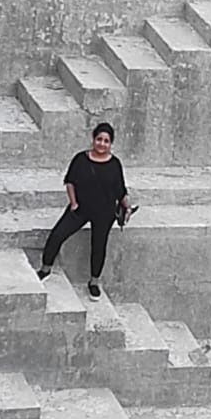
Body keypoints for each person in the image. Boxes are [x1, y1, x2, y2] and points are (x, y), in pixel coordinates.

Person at [36, 123, 130, 299]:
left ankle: (94, 282)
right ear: (93, 139)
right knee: (57, 234)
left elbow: (120, 189)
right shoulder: (81, 159)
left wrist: (127, 207)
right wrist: (73, 203)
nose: (102, 144)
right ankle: (45, 268)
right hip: (80, 208)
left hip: (104, 212)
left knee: (99, 246)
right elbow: (70, 181)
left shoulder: (115, 164)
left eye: (106, 141)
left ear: (111, 144)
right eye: (99, 139)